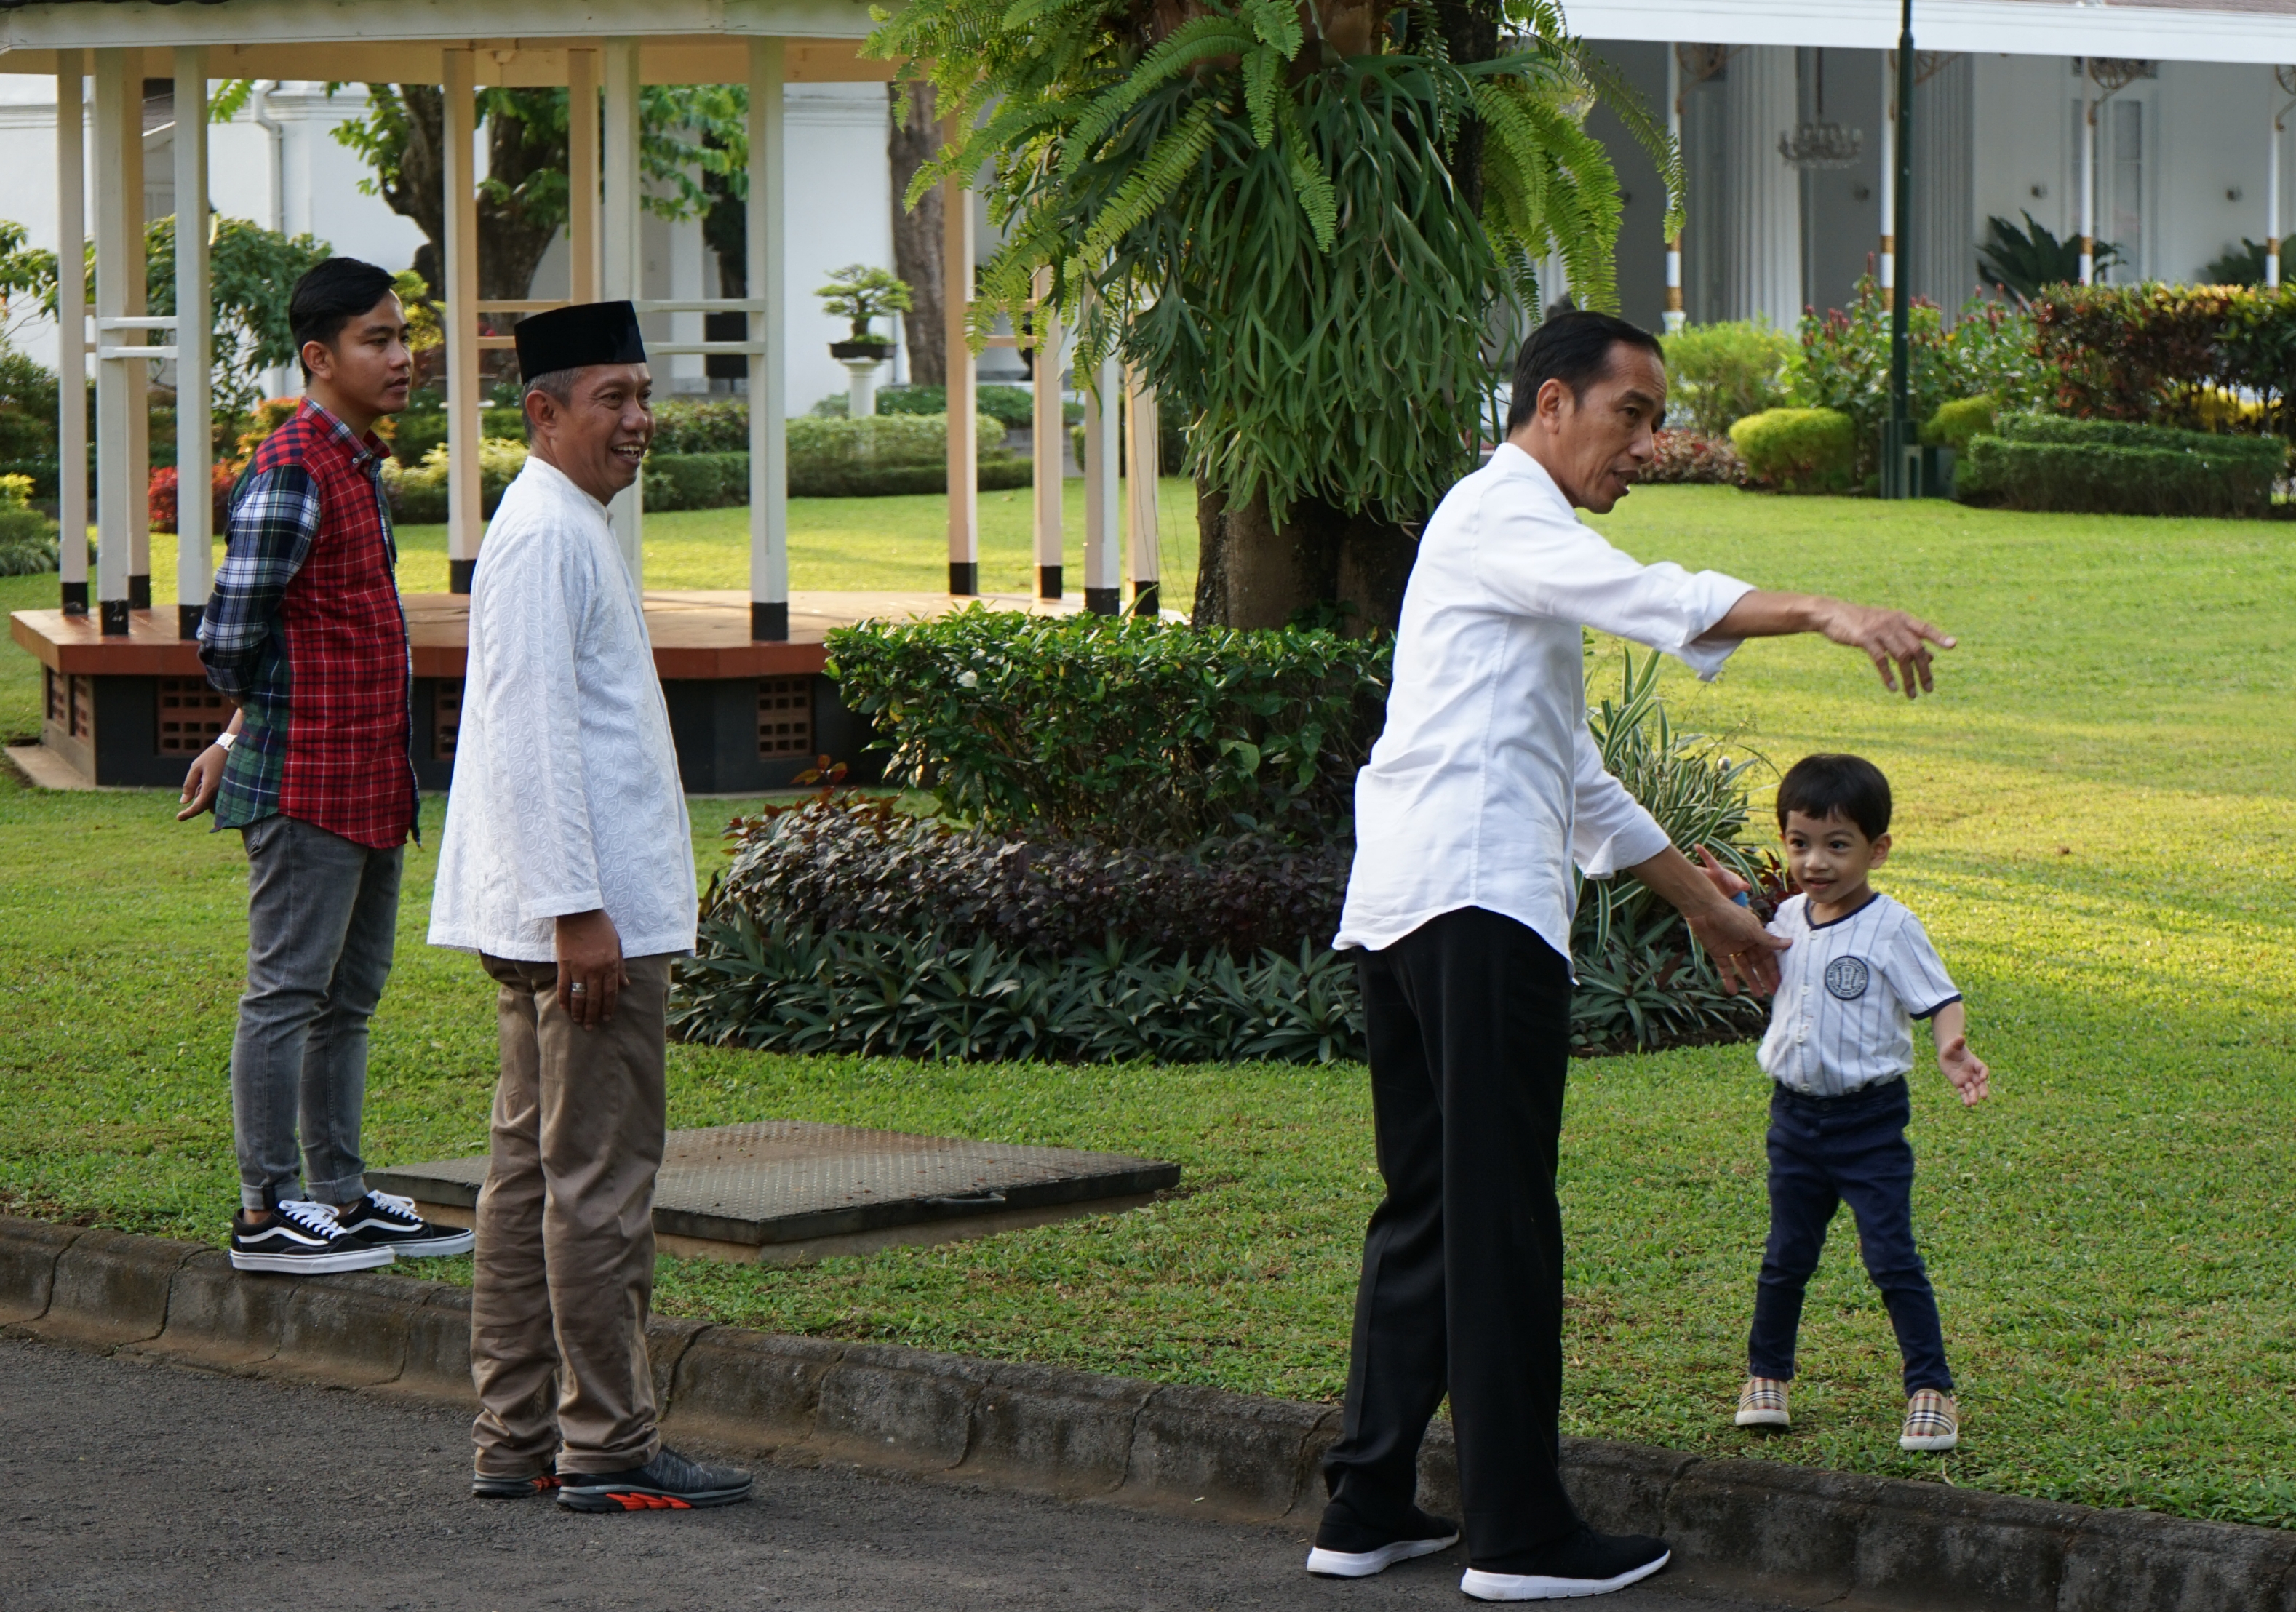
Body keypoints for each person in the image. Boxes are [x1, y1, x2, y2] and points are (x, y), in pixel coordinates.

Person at [1310, 310, 1957, 1602]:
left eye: (1657, 421)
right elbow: (1651, 596)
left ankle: (1367, 1503)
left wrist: (1706, 905)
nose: (1647, 445)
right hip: (1477, 912)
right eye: (1632, 414)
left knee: (1428, 1210)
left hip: (1410, 908)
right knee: (1498, 1220)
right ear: (1552, 403)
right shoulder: (1508, 517)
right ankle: (1517, 1535)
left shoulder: (1499, 542)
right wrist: (1821, 610)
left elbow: (1573, 771)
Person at [426, 300, 752, 1513]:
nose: (640, 419)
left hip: (563, 921)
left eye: (643, 395)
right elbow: (529, 737)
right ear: (544, 412)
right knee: (599, 1185)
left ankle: (516, 1435)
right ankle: (607, 1441)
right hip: (584, 929)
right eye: (612, 398)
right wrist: (577, 911)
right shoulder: (547, 533)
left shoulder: (558, 523)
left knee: (529, 1178)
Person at [181, 256, 471, 1274]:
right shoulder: (297, 467)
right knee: (286, 996)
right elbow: (227, 635)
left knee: (346, 1004)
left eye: (402, 336)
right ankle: (265, 1210)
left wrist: (234, 730)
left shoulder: (353, 463)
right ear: (320, 356)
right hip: (309, 782)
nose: (402, 356)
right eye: (377, 340)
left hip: (369, 779)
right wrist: (255, 726)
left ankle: (339, 1195)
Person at [1713, 754, 1989, 1453]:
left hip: (1869, 1123)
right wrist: (1730, 906)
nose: (1816, 862)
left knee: (1892, 1258)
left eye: (1838, 845)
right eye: (1800, 843)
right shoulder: (1787, 916)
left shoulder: (1891, 928)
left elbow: (1941, 998)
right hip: (1794, 1120)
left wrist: (1951, 1047)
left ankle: (1931, 1390)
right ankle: (1766, 1376)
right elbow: (1756, 952)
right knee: (1786, 1257)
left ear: (1878, 849)